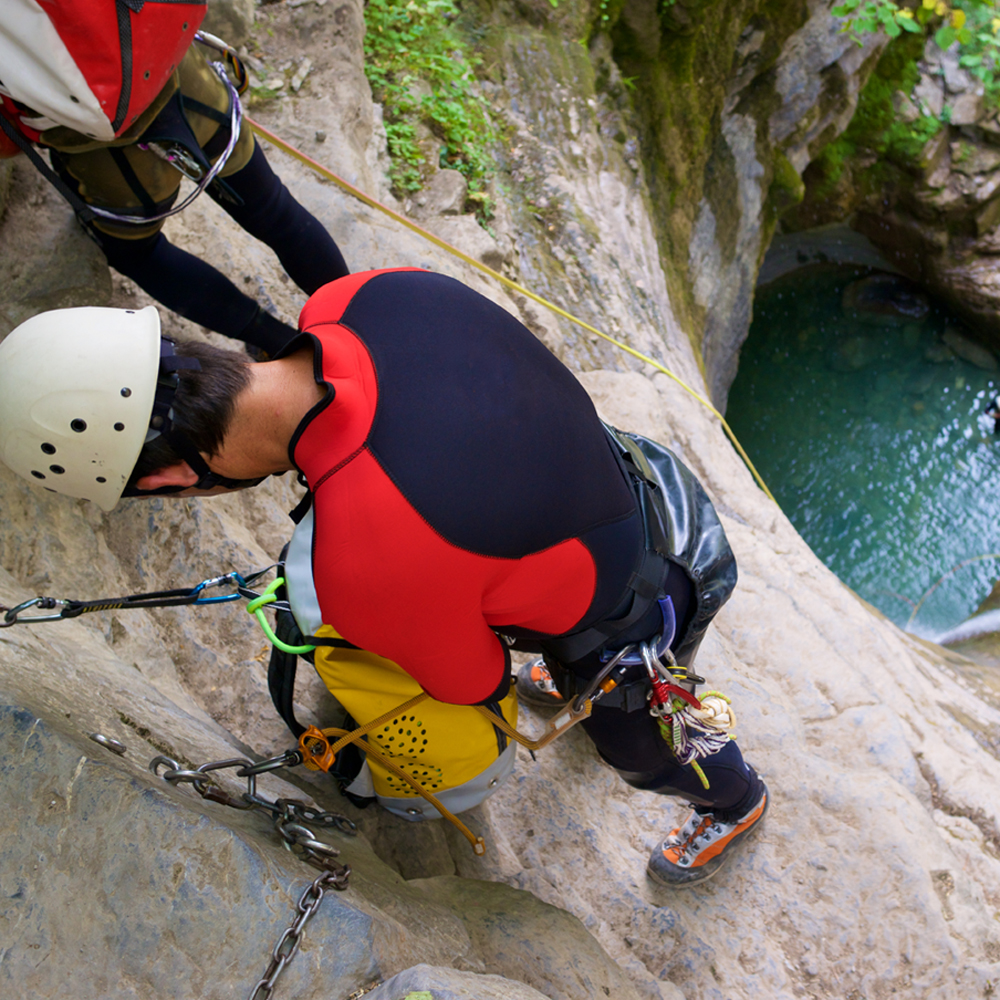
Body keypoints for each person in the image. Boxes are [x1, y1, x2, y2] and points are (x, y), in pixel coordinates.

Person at [0, 269, 769, 887]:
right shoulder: (366, 294)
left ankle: (735, 799)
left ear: (172, 482)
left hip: (646, 596)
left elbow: (472, 684)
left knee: (643, 743)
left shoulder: (363, 562)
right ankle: (576, 643)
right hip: (636, 476)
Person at [0, 28, 349, 356]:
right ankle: (356, 319)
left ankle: (282, 343)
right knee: (272, 208)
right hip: (186, 79)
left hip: (105, 148)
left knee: (140, 254)